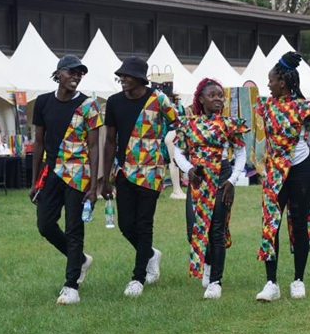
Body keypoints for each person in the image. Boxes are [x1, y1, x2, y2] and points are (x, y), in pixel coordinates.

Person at [102, 56, 178, 298]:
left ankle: (138, 278)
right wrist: (105, 178)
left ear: (140, 78)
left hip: (151, 171)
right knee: (125, 225)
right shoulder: (114, 102)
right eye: (121, 76)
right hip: (124, 171)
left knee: (144, 224)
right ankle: (150, 255)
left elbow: (178, 124)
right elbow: (110, 140)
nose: (122, 79)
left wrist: (169, 148)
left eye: (127, 75)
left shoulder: (159, 99)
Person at [29, 55, 102, 305]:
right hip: (52, 172)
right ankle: (80, 260)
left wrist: (94, 186)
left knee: (74, 227)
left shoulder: (88, 105)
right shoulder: (42, 102)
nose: (77, 76)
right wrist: (34, 180)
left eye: (80, 73)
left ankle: (71, 286)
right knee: (45, 225)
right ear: (58, 74)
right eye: (72, 72)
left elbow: (94, 147)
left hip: (79, 172)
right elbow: (38, 143)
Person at [255, 51, 310, 302]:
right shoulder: (265, 105)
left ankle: (298, 280)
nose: (268, 84)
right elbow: (243, 104)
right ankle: (271, 283)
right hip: (275, 170)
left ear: (282, 83)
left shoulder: (301, 107)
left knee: (299, 222)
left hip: (302, 169)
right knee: (270, 224)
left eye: (271, 80)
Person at [173, 78, 249, 299]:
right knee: (193, 229)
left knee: (216, 229)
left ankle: (216, 281)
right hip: (198, 178)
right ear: (201, 99)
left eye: (220, 95)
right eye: (212, 95)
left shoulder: (229, 124)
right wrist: (188, 169)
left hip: (222, 177)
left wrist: (233, 180)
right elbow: (178, 151)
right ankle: (206, 263)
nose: (217, 98)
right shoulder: (189, 124)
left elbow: (241, 153)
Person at [165, 93, 188, 200]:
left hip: (173, 133)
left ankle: (177, 189)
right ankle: (176, 190)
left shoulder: (175, 107)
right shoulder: (170, 107)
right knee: (173, 162)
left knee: (175, 163)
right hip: (171, 134)